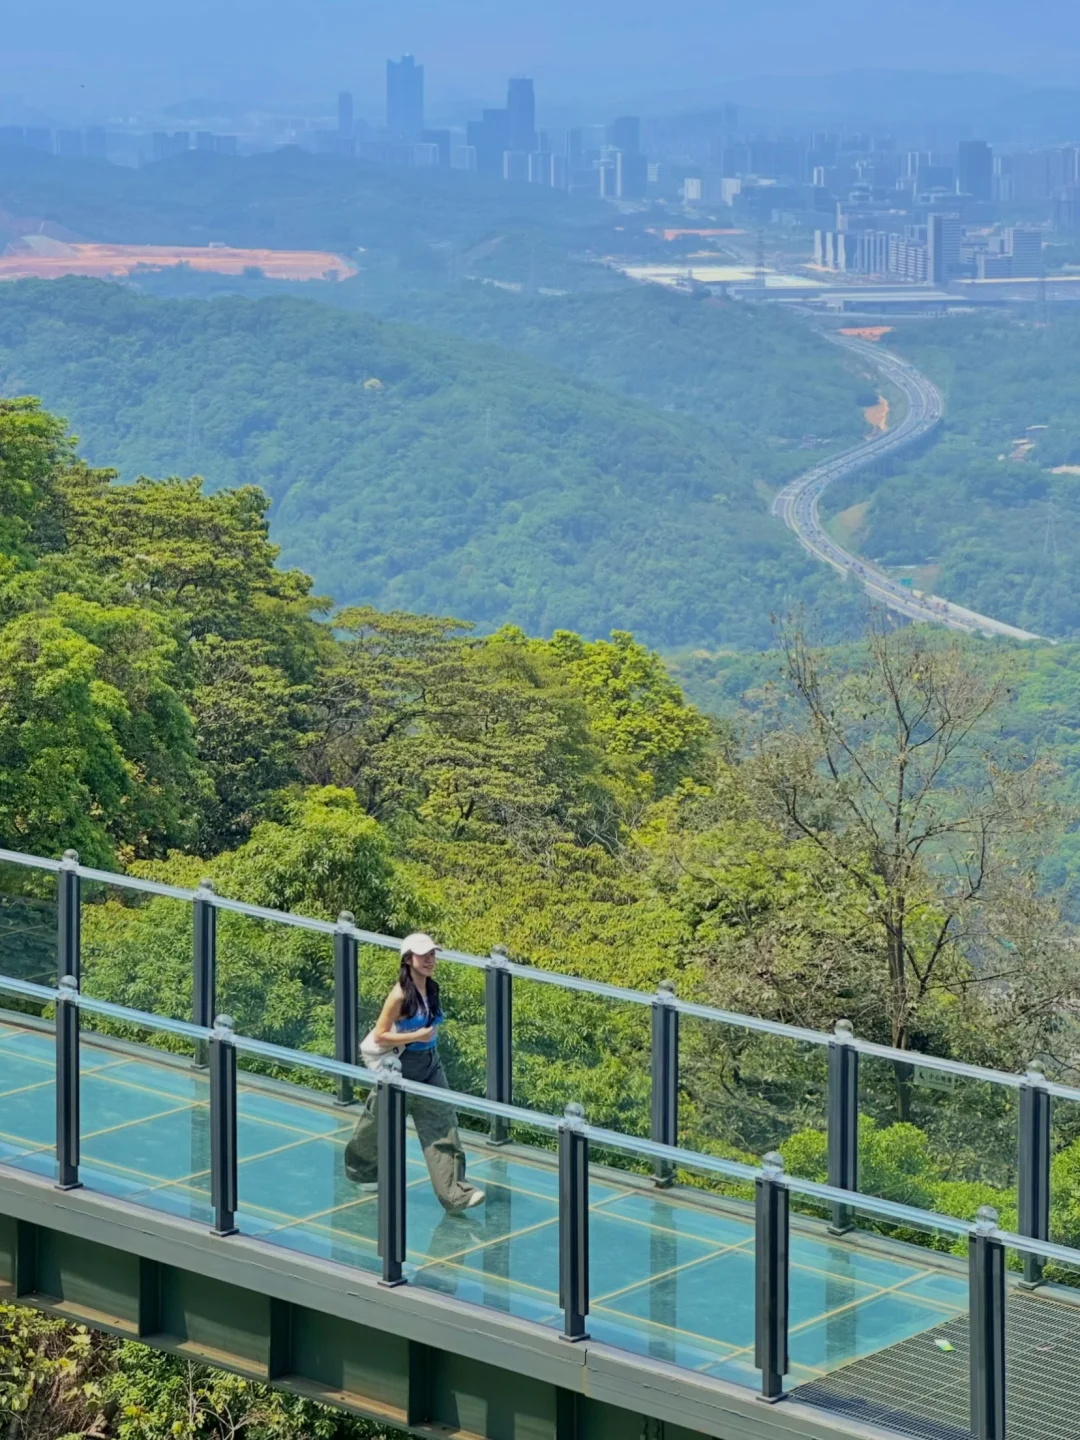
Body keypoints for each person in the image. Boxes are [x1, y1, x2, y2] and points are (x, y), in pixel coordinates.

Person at [344, 932, 485, 1213]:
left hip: (431, 1065)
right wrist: (416, 1037)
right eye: (423, 955)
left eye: (432, 954)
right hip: (400, 1067)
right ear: (408, 960)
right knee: (377, 1125)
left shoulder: (432, 989)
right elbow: (381, 1035)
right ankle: (363, 1170)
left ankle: (456, 1194)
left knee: (442, 1124)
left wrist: (424, 1040)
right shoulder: (399, 995)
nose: (430, 960)